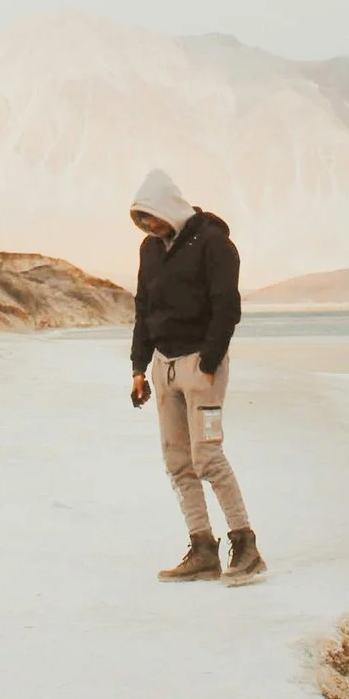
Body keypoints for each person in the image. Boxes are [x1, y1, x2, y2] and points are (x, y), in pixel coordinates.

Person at [128, 166, 263, 582]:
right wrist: (138, 367)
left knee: (207, 456)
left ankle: (245, 546)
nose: (148, 226)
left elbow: (227, 307)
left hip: (201, 369)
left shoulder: (214, 244)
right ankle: (202, 549)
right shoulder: (150, 250)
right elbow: (143, 310)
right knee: (177, 461)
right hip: (163, 368)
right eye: (140, 220)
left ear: (168, 207)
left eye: (150, 216)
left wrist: (209, 361)